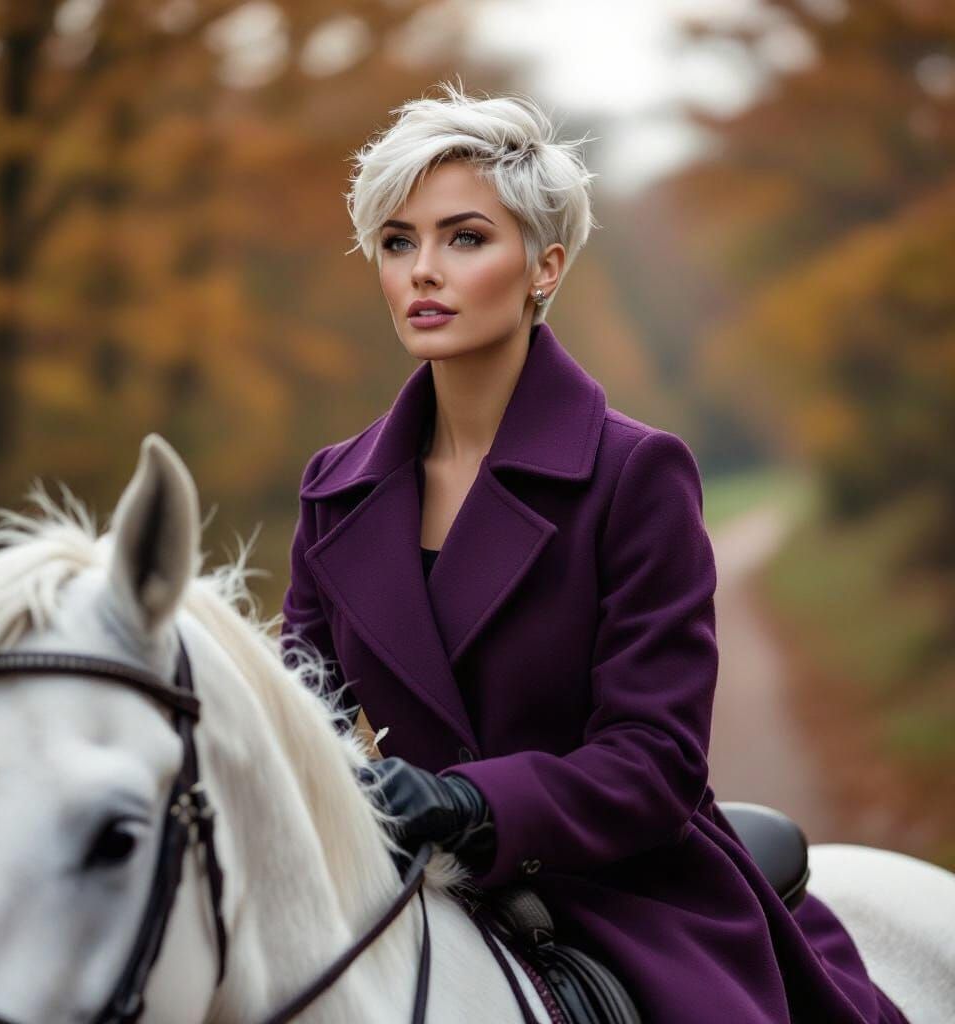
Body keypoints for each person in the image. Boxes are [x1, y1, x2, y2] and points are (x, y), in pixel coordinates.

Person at [278, 82, 909, 1024]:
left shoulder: (635, 473)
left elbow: (655, 760)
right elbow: (300, 718)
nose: (423, 272)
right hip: (405, 887)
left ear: (544, 266)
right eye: (398, 242)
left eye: (465, 237)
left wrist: (467, 804)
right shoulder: (337, 488)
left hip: (622, 892)